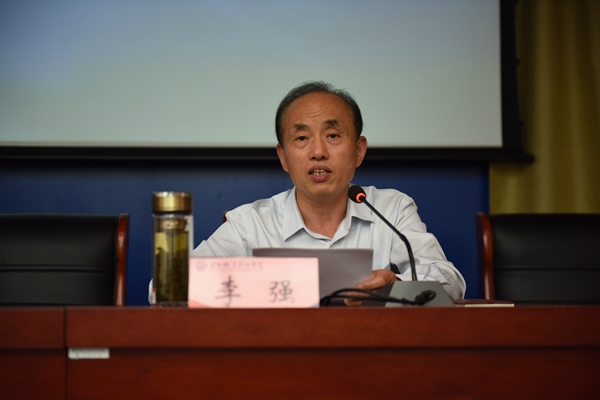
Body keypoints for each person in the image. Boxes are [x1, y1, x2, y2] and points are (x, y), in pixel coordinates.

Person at [189, 81, 466, 303]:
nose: (318, 152)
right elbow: (179, 284)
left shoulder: (391, 209)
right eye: (302, 138)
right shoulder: (250, 223)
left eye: (332, 136)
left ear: (359, 151)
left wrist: (396, 286)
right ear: (283, 157)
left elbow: (450, 283)